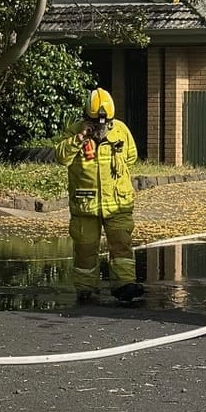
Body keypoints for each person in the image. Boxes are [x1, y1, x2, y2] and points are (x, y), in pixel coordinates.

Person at [61, 85, 140, 302]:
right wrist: (79, 139)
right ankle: (86, 289)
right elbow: (62, 157)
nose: (101, 127)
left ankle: (124, 285)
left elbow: (131, 157)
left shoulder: (120, 130)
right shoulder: (75, 132)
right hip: (86, 205)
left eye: (105, 123)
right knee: (85, 249)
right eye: (96, 122)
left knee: (122, 245)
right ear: (87, 117)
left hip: (118, 202)